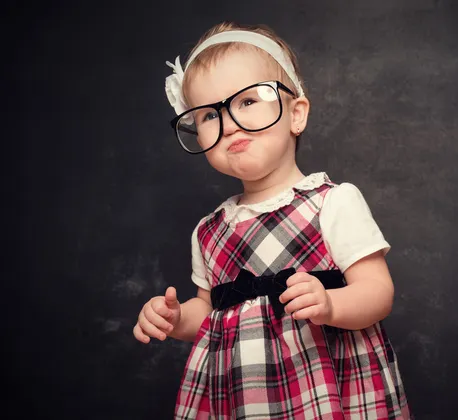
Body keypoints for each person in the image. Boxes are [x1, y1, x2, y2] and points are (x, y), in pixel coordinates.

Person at [133, 21, 411, 419]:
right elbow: (209, 313)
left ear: (296, 114)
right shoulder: (210, 231)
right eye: (210, 115)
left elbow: (378, 292)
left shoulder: (331, 202)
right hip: (245, 397)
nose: (229, 123)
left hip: (327, 387)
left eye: (248, 101)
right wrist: (176, 320)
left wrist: (330, 304)